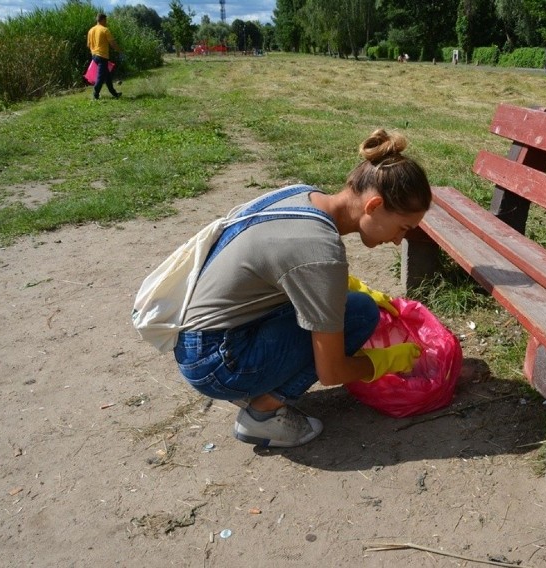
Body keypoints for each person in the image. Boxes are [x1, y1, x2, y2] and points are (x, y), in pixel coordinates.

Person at [174, 129, 431, 448]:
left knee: (352, 306)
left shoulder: (304, 195)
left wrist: (346, 286)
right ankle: (263, 415)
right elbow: (332, 372)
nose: (396, 240)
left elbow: (285, 267)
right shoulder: (321, 251)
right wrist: (388, 361)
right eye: (401, 228)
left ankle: (257, 383)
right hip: (216, 363)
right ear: (374, 205)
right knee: (360, 314)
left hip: (197, 339)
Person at [87, 13, 121, 100]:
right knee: (101, 77)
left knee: (107, 76)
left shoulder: (91, 30)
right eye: (105, 20)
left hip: (94, 56)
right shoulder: (105, 30)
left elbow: (88, 45)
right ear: (102, 20)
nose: (106, 22)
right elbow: (112, 43)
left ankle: (114, 93)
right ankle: (95, 94)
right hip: (102, 56)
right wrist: (119, 50)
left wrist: (94, 51)